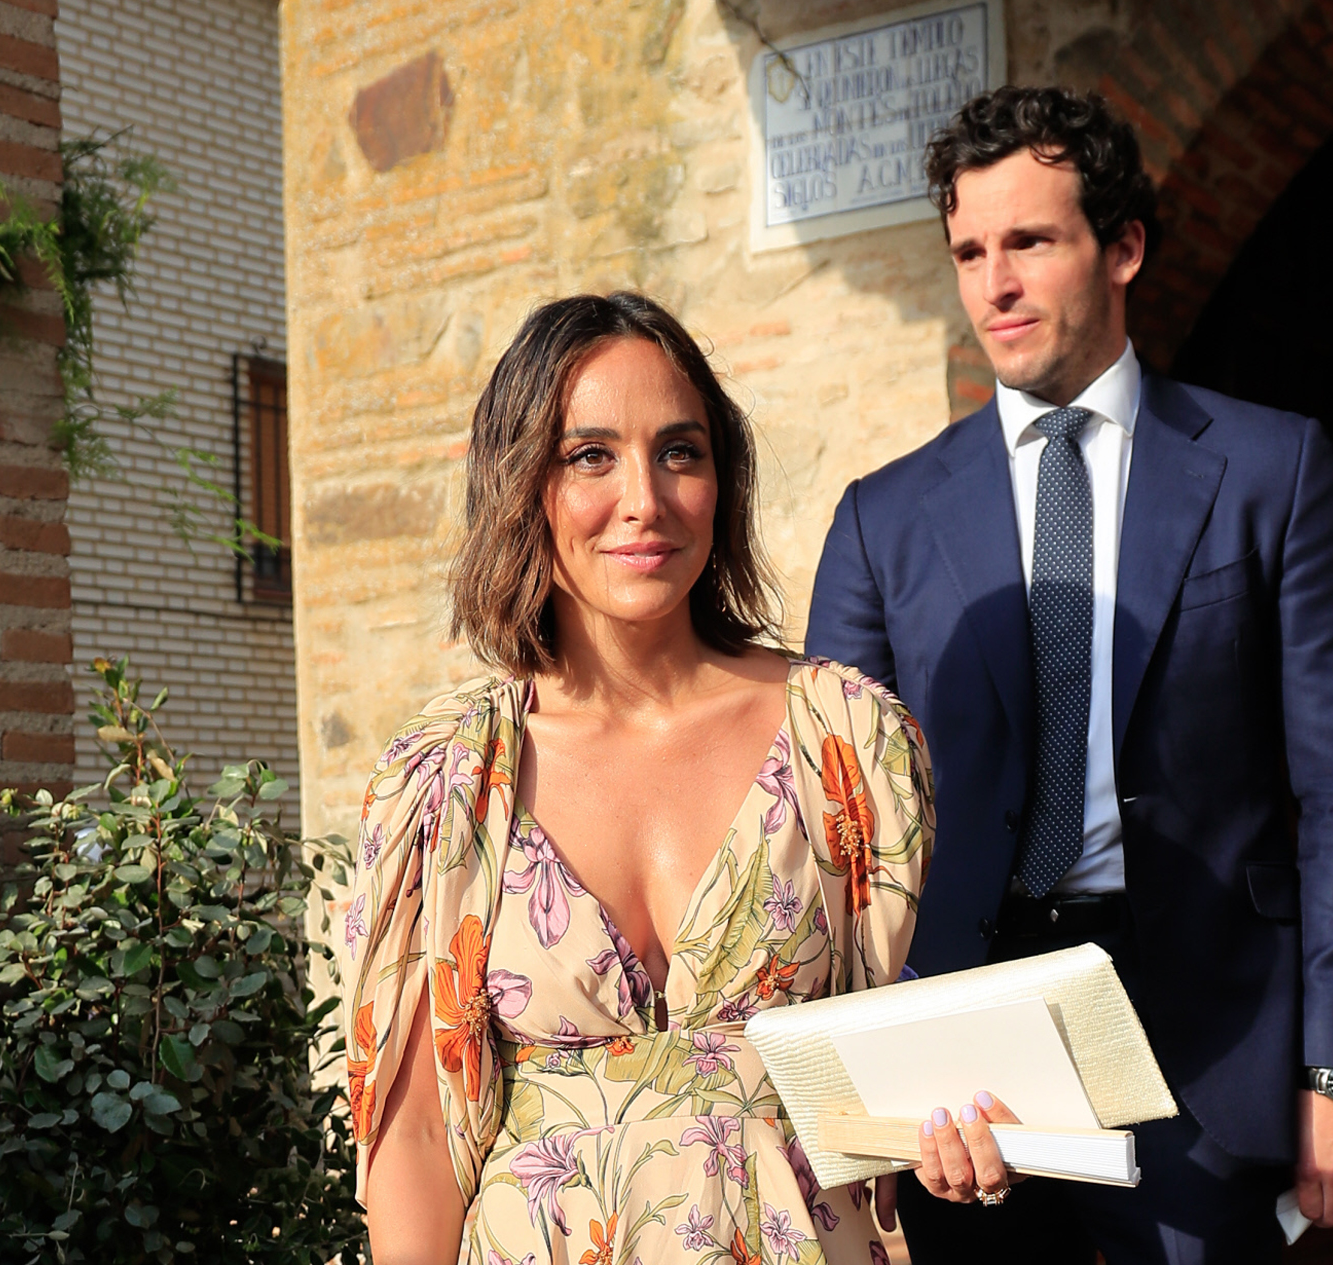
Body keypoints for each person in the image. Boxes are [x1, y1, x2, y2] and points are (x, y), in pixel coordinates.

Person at [805, 87, 1333, 1263]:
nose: (994, 284)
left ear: (1122, 247)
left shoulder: (1272, 472)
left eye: (1029, 241)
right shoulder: (883, 521)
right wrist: (855, 1064)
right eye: (970, 251)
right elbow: (839, 823)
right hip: (964, 1053)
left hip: (1206, 1042)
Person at [341, 292, 935, 1265]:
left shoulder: (848, 739)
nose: (644, 500)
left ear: (721, 480)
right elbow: (410, 1137)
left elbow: (905, 1049)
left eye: (680, 451)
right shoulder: (449, 781)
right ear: (519, 481)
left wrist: (962, 1141)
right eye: (590, 456)